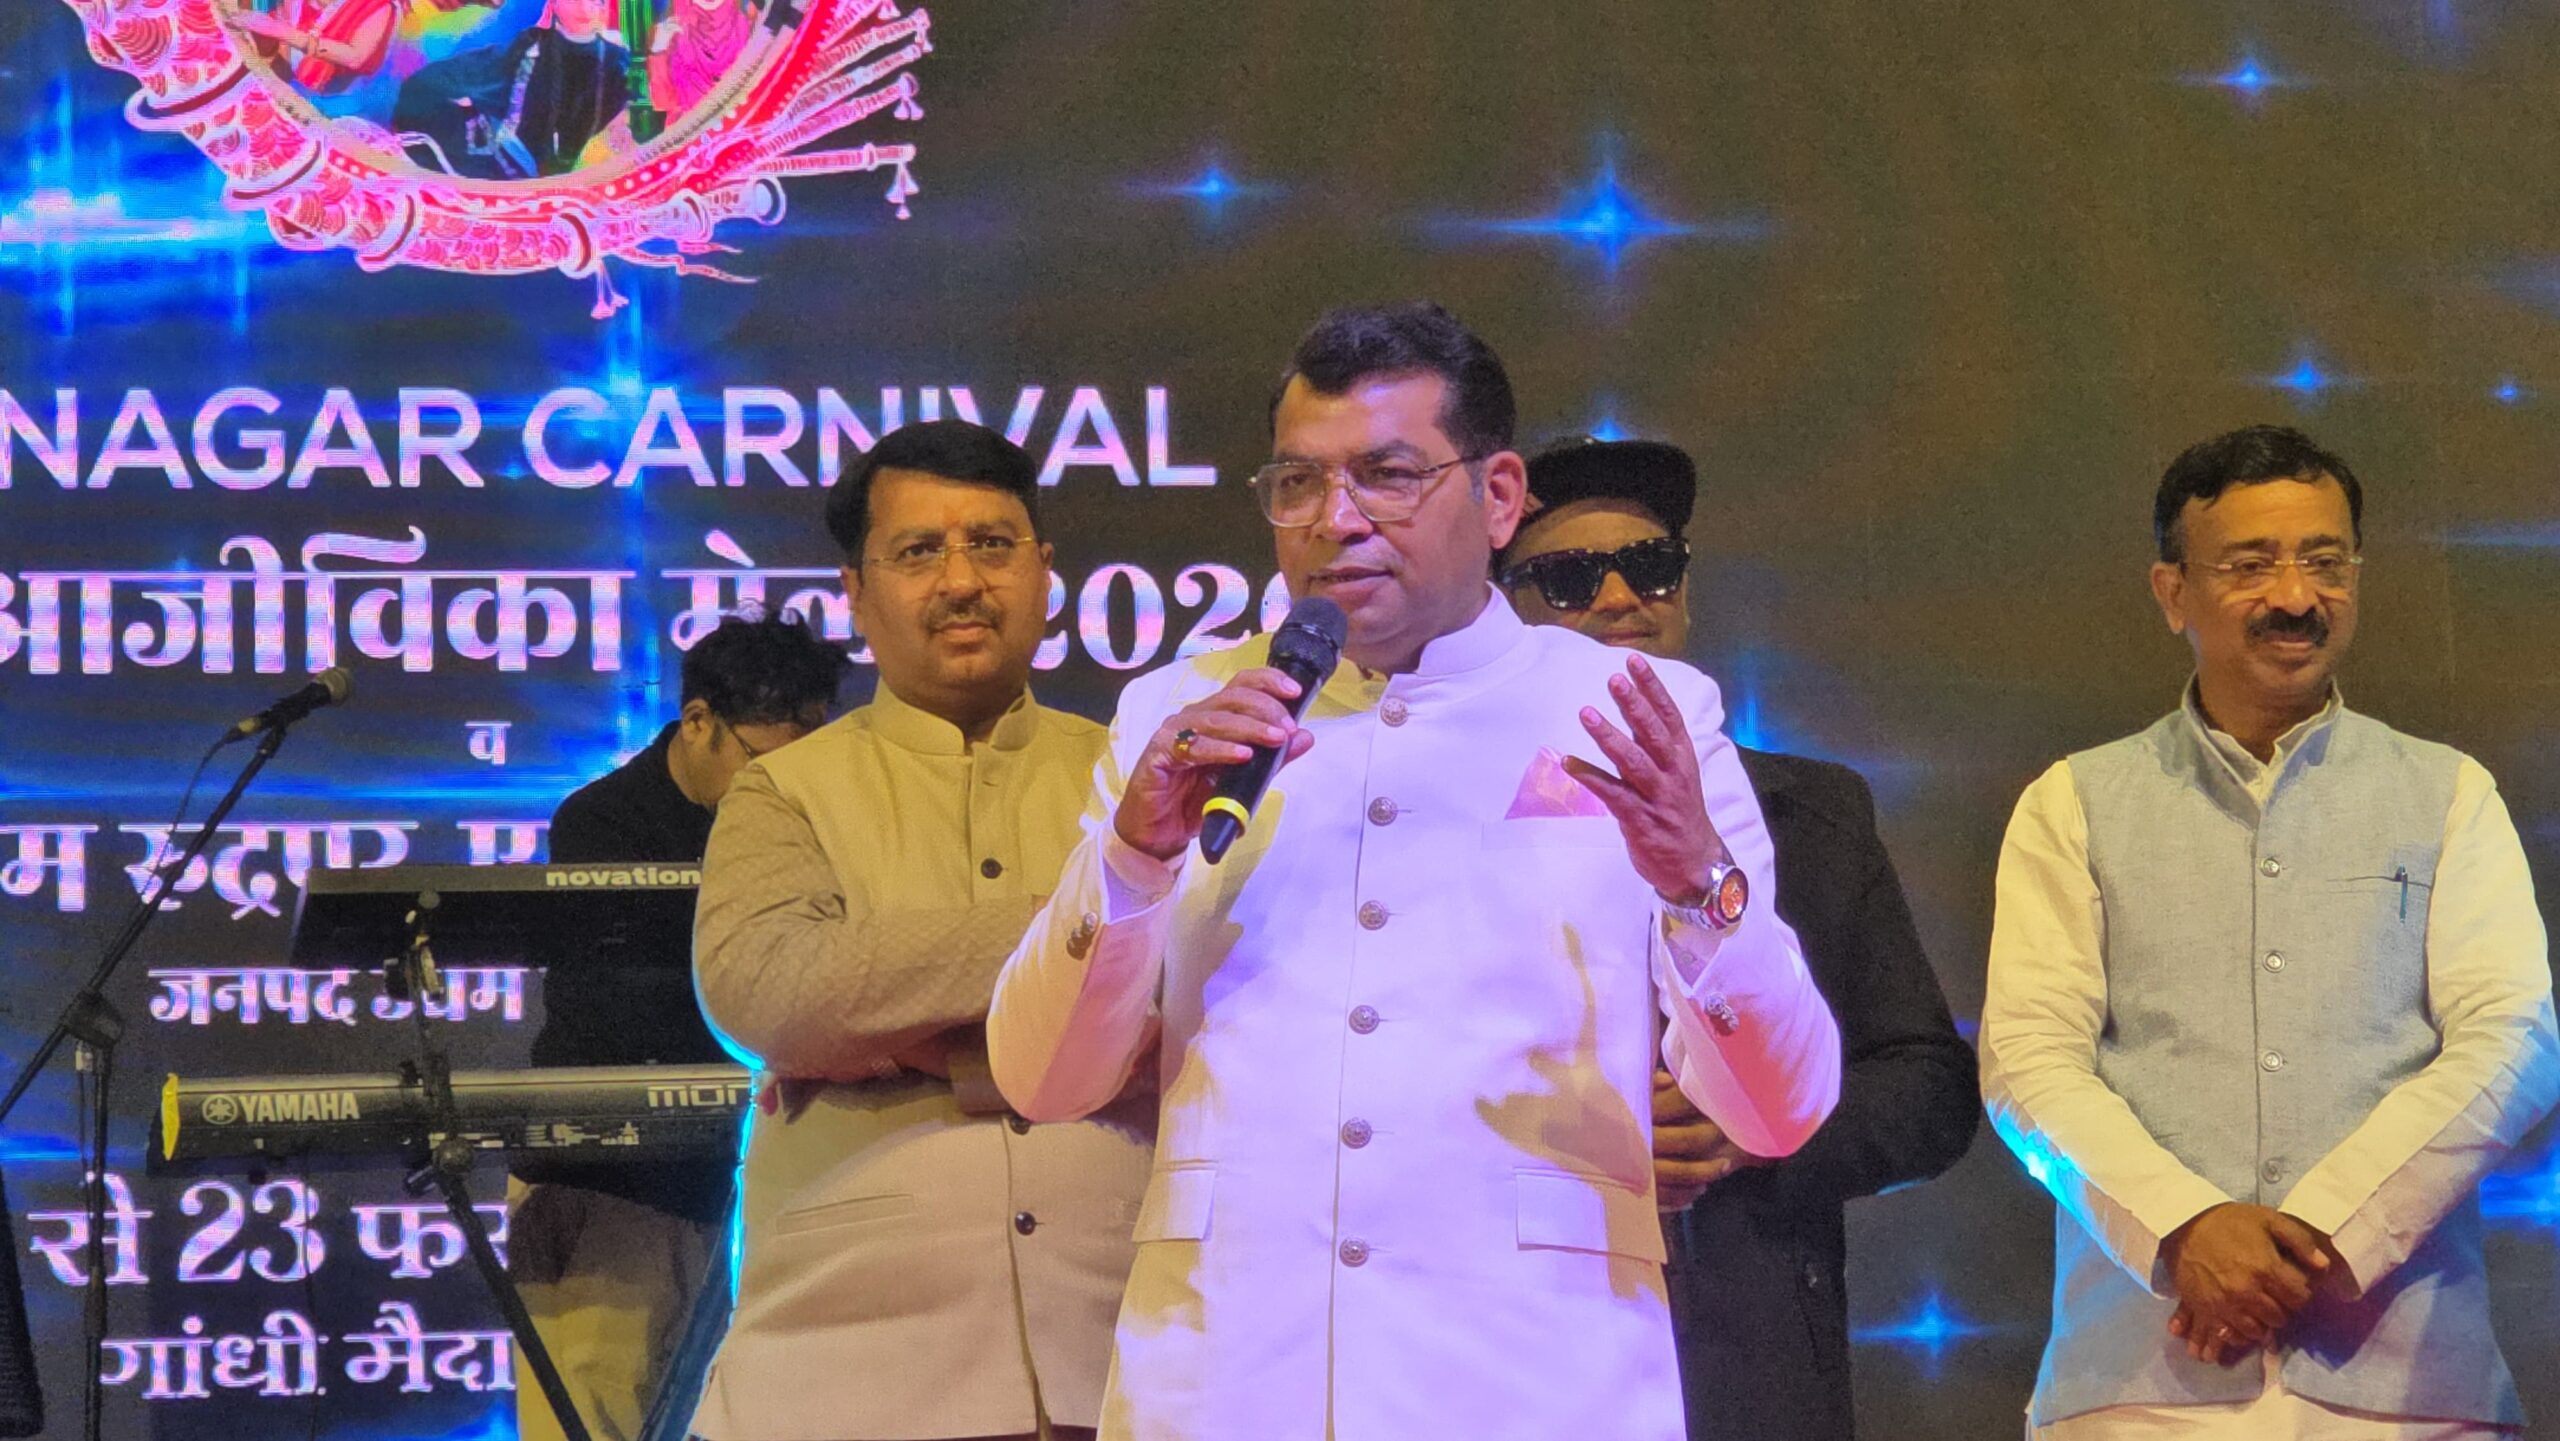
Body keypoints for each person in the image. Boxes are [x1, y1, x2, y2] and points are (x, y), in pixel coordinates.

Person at [986, 302, 1842, 1440]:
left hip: (1538, 1383)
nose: (1335, 520)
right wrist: (1133, 859)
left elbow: (1780, 1111)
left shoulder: (1639, 712)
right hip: (1227, 1376)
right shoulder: (1180, 714)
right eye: (1298, 483)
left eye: (1387, 476)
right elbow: (1042, 1079)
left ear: (1499, 497)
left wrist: (1698, 886)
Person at [1981, 424, 2560, 1438]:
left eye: (2324, 562)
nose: (2296, 596)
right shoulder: (2071, 801)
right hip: (2139, 1384)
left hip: (2410, 1386)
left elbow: (2515, 1044)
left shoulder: (2448, 793)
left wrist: (2328, 1232)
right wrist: (2185, 1229)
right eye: (2250, 565)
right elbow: (2027, 1061)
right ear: (2172, 592)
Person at [1497, 434, 1978, 1441]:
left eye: (1651, 564)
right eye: (1572, 578)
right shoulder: (1443, 814)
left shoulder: (1813, 810)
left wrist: (1754, 1131)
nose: (1620, 598)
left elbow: (1927, 1088)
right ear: (1503, 606)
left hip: (1752, 1343)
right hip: (1515, 1338)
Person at [689, 420, 1152, 1441]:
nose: (961, 580)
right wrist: (1077, 940)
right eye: (918, 551)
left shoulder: (1139, 776)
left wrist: (905, 1034)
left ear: (1045, 571)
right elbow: (773, 990)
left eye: (991, 544)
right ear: (855, 592)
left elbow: (1190, 1000)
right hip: (851, 1359)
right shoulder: (782, 789)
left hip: (1123, 1347)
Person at [512, 609, 847, 1441]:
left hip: (750, 1175)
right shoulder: (600, 821)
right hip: (613, 1180)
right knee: (598, 1411)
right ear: (698, 722)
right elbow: (639, 1009)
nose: (788, 785)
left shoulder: (814, 821)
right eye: (766, 762)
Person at [392, 0, 630, 180]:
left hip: (562, 164)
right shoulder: (532, 43)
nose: (585, 8)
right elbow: (493, 76)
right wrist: (473, 105)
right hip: (514, 148)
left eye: (596, 1)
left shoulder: (616, 60)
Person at [225, 0, 498, 97]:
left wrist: (284, 33)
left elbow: (356, 57)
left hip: (319, 97)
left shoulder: (384, 8)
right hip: (265, 55)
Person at [646, 0, 756, 121]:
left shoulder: (750, 29)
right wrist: (659, 50)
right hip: (690, 129)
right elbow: (663, 102)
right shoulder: (669, 32)